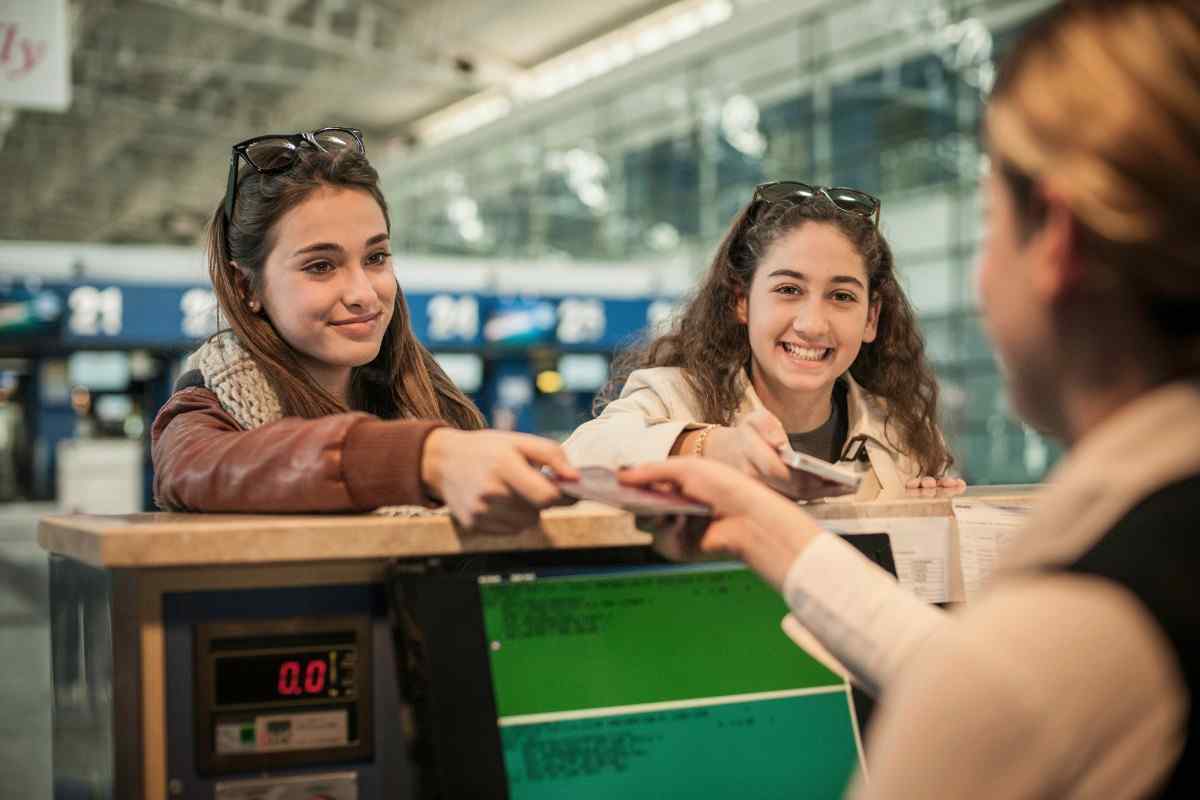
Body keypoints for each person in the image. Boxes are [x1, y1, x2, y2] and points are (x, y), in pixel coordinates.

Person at [622, 0, 1199, 796]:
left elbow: (997, 694)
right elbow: (979, 680)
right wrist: (760, 521)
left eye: (990, 218)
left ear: (1055, 244)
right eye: (787, 288)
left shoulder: (1090, 603)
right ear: (740, 299)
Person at [152, 128, 576, 533]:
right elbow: (191, 467)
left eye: (376, 258)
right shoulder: (203, 410)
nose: (363, 294)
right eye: (320, 266)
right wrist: (421, 458)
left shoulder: (429, 393)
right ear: (247, 287)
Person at [563, 182, 962, 500]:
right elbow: (577, 458)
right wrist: (710, 447)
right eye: (789, 289)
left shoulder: (902, 432)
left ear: (871, 318)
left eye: (841, 296)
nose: (812, 324)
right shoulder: (674, 396)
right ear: (742, 302)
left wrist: (932, 510)